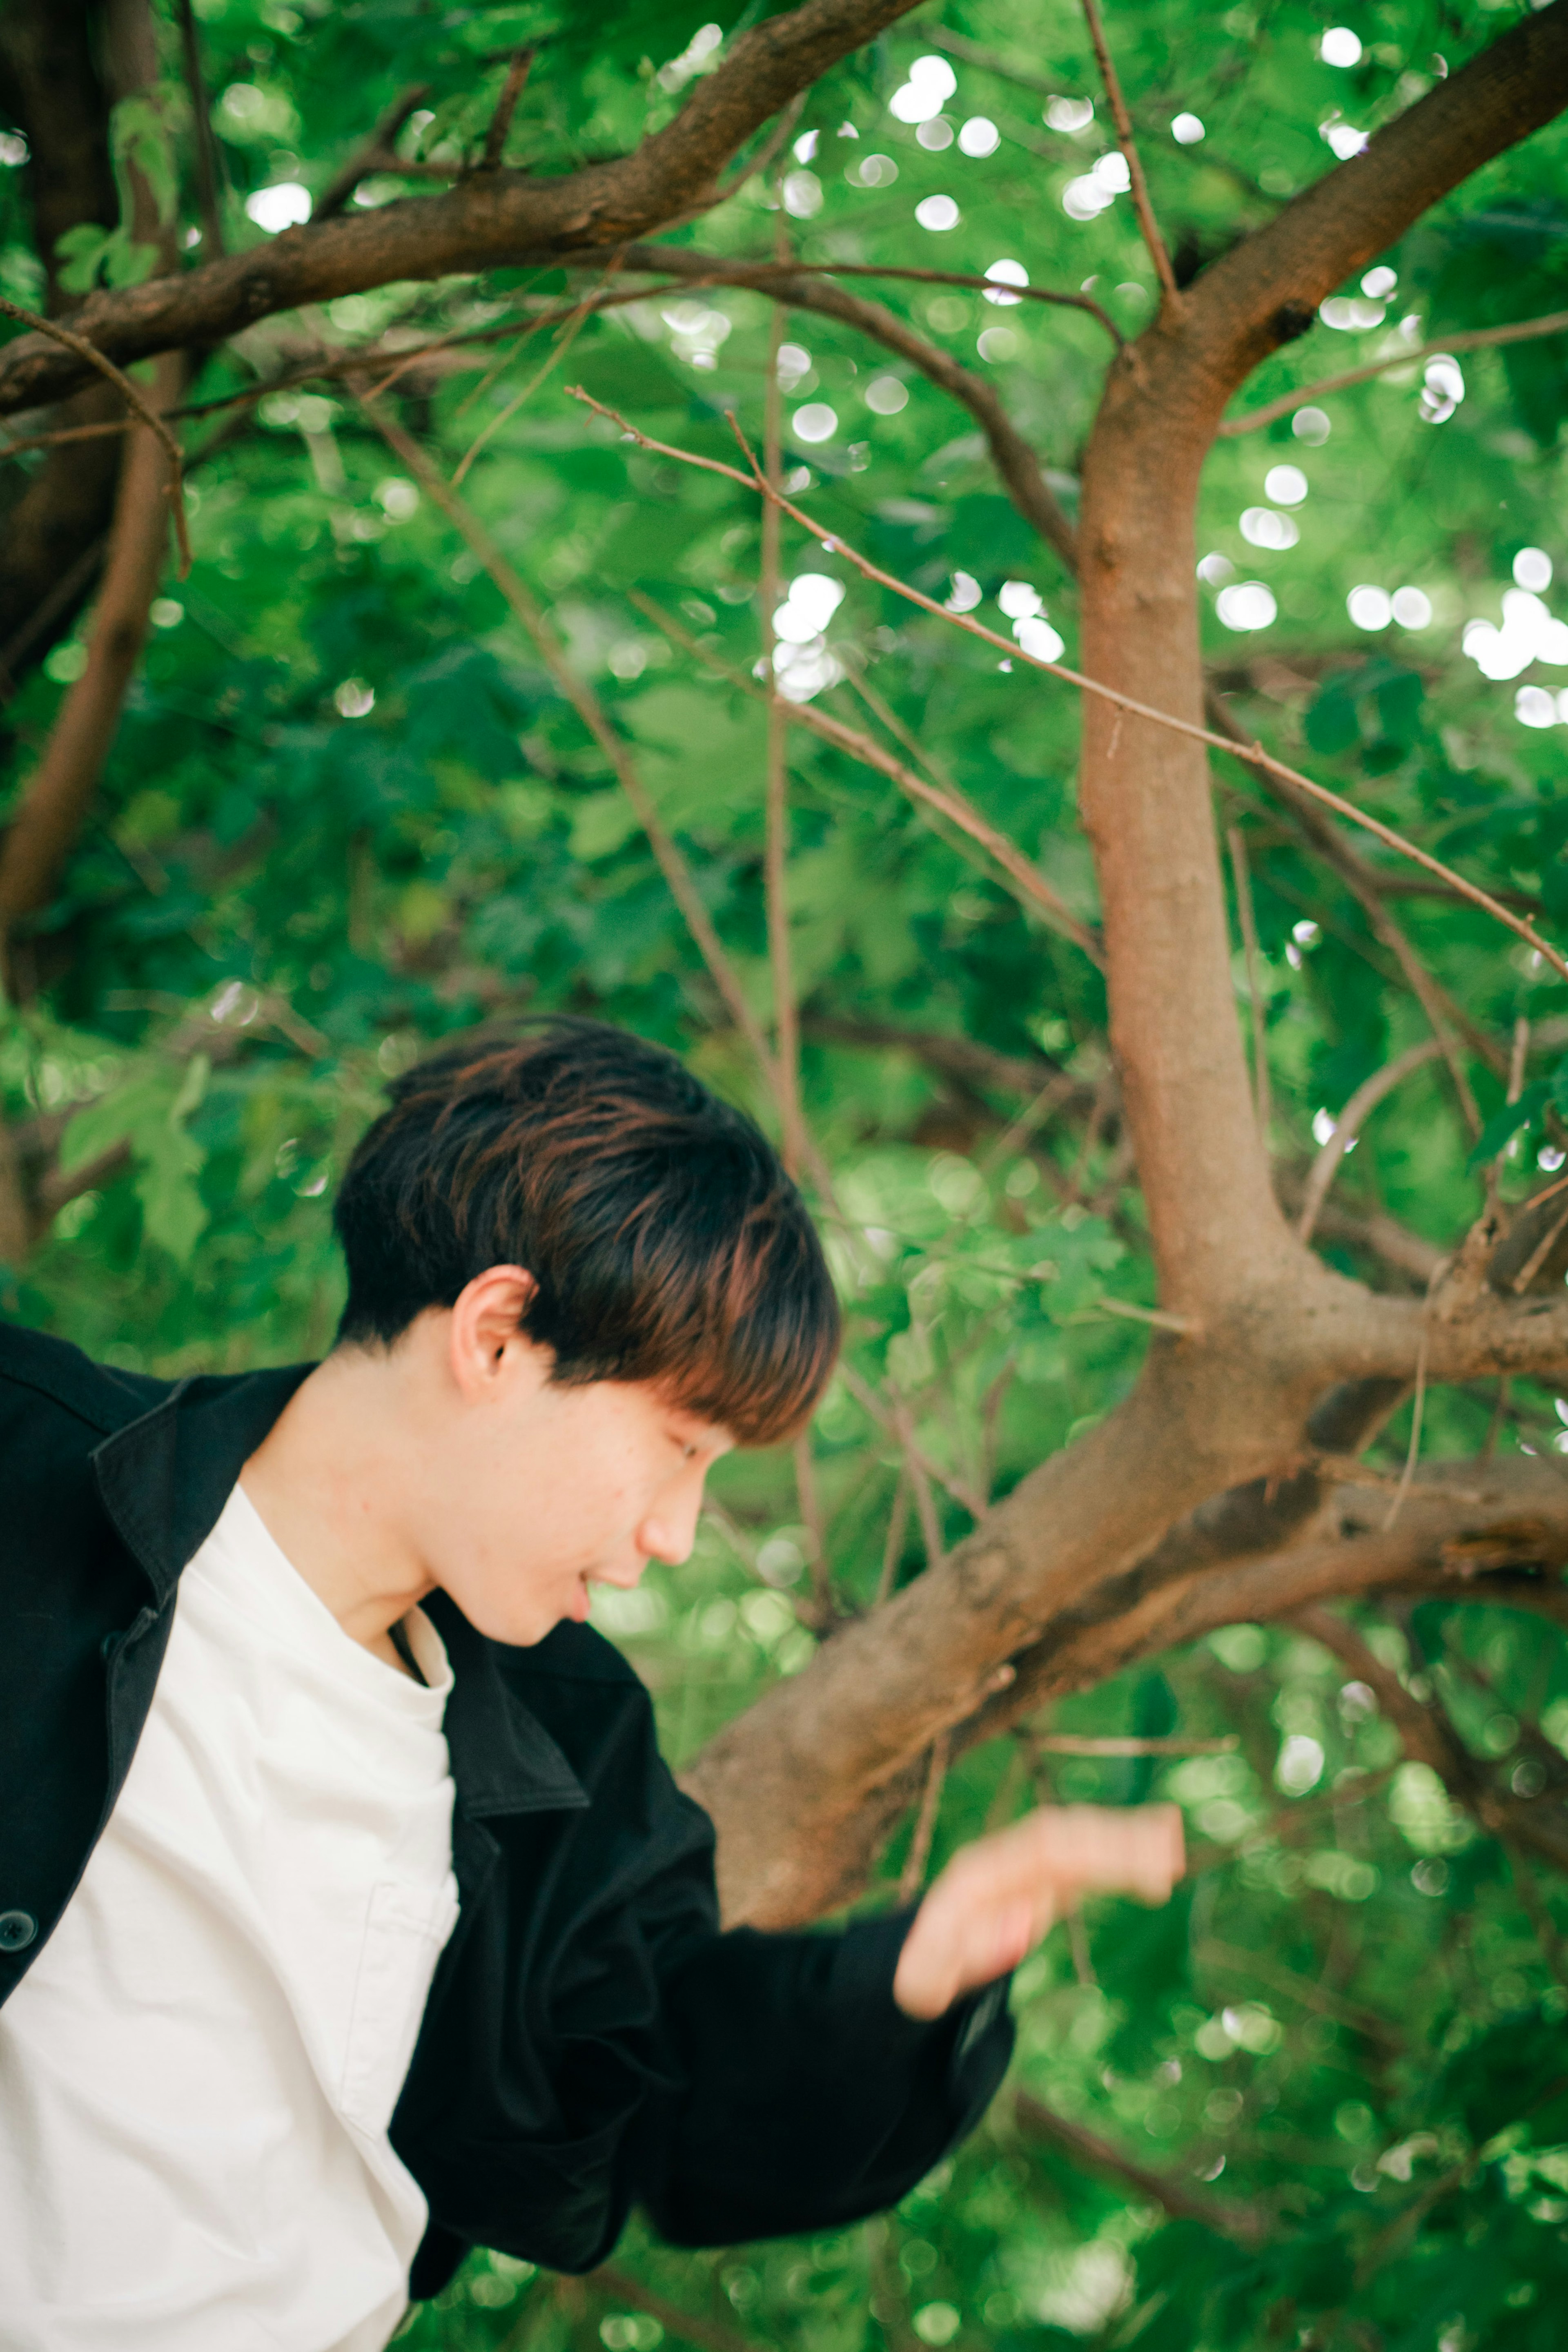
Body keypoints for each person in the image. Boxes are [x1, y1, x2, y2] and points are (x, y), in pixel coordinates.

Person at [0, 1018, 1182, 2350]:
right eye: (678, 1446)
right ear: (500, 1334)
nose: (676, 1533)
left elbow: (659, 2088)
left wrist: (911, 1978)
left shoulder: (564, 1739)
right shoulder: (28, 1473)